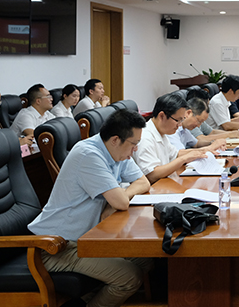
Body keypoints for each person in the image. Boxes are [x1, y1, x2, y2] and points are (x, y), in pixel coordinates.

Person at [28, 109, 152, 307]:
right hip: (56, 247)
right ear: (115, 139)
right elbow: (121, 203)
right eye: (133, 144)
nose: (135, 150)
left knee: (145, 259)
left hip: (87, 240)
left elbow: (143, 182)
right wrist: (118, 198)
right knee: (130, 277)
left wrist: (120, 196)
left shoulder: (117, 153)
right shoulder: (89, 155)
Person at [132, 94, 224, 184]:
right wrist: (184, 159)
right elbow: (152, 175)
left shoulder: (161, 133)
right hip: (154, 189)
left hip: (163, 184)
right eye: (177, 120)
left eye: (182, 120)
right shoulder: (145, 137)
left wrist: (203, 151)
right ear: (162, 116)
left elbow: (176, 154)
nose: (180, 125)